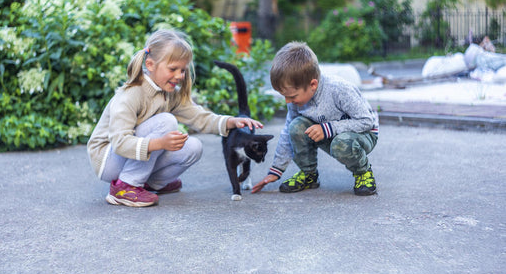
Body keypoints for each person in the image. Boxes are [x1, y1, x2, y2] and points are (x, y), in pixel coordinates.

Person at [87, 29, 263, 207]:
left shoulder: (169, 93)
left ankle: (151, 184)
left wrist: (229, 121)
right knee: (167, 121)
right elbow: (119, 142)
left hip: (128, 158)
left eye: (182, 70)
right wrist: (160, 143)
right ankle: (126, 187)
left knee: (194, 147)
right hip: (107, 159)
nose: (179, 76)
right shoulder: (131, 94)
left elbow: (197, 117)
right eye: (173, 69)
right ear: (150, 64)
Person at [251, 41, 379, 196]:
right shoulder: (296, 99)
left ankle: (363, 173)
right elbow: (288, 132)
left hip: (363, 134)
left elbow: (366, 122)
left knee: (341, 143)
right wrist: (276, 170)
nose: (287, 101)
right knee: (296, 126)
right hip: (328, 131)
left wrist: (328, 129)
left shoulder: (339, 89)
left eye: (291, 96)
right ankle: (309, 174)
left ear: (312, 84)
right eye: (284, 96)